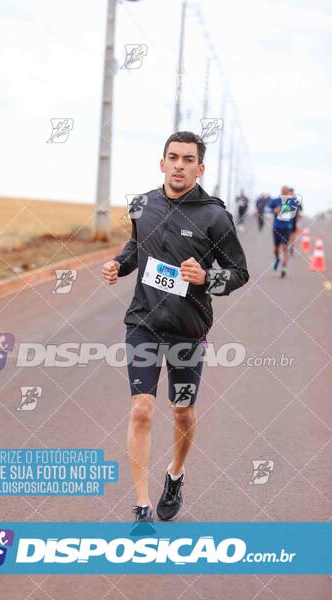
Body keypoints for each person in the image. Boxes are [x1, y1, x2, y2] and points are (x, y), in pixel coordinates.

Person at [102, 131, 249, 524]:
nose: (179, 165)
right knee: (142, 410)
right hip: (143, 324)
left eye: (188, 159)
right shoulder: (142, 205)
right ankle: (141, 504)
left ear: (200, 168)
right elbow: (138, 248)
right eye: (173, 157)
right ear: (162, 162)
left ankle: (175, 475)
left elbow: (240, 272)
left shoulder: (215, 216)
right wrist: (119, 264)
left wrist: (206, 279)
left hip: (188, 329)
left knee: (182, 412)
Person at [268, 186, 301, 278]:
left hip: (287, 228)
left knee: (285, 248)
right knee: (276, 249)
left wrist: (295, 214)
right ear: (281, 192)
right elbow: (268, 208)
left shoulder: (293, 202)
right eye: (284, 192)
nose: (286, 194)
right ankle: (277, 259)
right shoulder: (276, 201)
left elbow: (297, 213)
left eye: (287, 192)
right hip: (276, 228)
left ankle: (283, 268)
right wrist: (274, 210)